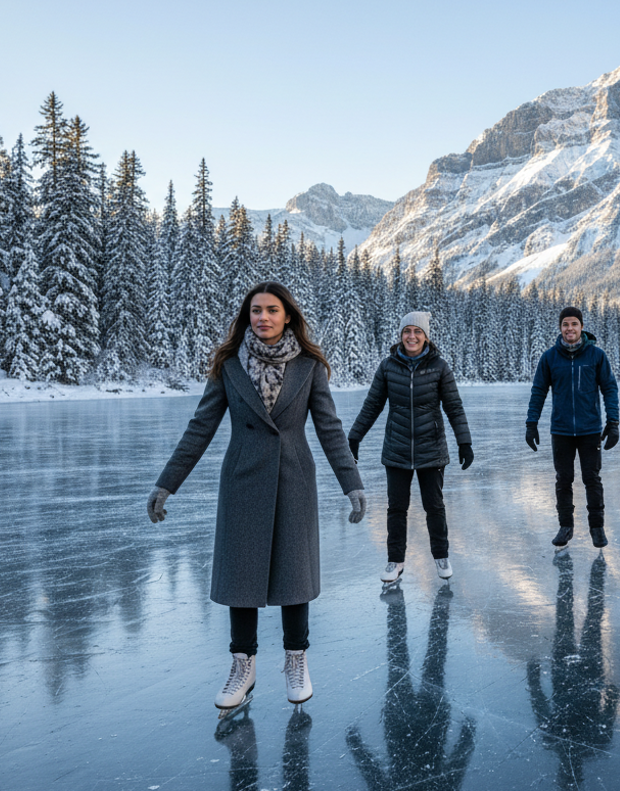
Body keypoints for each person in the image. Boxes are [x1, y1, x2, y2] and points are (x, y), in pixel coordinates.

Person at [146, 281, 366, 711]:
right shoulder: (230, 365)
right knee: (240, 579)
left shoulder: (308, 367)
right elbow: (200, 427)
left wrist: (351, 482)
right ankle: (242, 668)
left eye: (271, 310)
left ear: (288, 316)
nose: (262, 317)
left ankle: (296, 660)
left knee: (294, 573)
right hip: (244, 481)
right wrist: (166, 482)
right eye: (255, 310)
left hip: (294, 479)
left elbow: (329, 429)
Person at [348, 311, 473, 585]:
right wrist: (354, 437)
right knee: (396, 508)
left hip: (432, 449)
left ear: (426, 336)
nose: (412, 336)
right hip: (397, 449)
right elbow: (372, 405)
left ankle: (441, 556)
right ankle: (395, 561)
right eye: (407, 331)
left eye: (417, 331)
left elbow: (454, 406)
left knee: (435, 506)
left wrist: (464, 441)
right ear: (401, 335)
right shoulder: (388, 367)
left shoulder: (439, 366)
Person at [525, 306, 619, 550]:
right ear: (560, 328)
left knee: (592, 478)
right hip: (562, 431)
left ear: (581, 327)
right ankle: (565, 526)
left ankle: (597, 528)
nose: (570, 328)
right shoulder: (549, 358)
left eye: (574, 324)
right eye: (565, 324)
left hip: (590, 430)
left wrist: (613, 422)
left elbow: (609, 388)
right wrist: (531, 423)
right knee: (563, 479)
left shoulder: (596, 356)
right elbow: (538, 391)